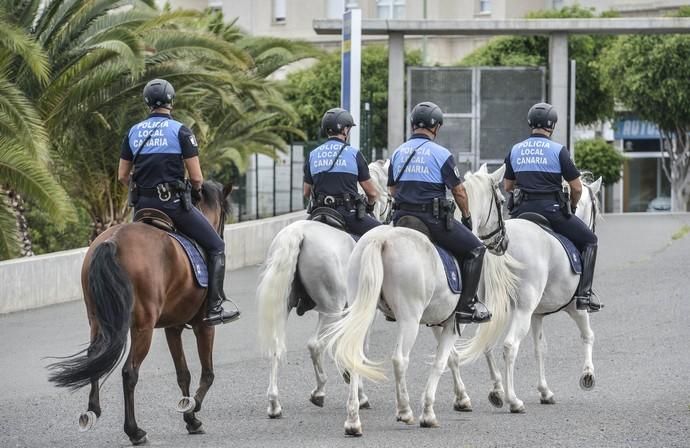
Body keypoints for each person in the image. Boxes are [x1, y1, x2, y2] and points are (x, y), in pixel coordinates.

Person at [117, 78, 240, 325]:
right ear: (171, 101)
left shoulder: (133, 132)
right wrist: (193, 190)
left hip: (142, 208)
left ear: (147, 103)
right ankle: (214, 306)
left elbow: (122, 176)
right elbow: (197, 178)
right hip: (173, 208)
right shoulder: (181, 131)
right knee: (216, 246)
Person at [387, 101, 491, 325]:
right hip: (431, 221)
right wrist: (466, 216)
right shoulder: (441, 154)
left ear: (413, 124)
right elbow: (459, 191)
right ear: (436, 127)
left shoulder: (397, 153)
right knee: (476, 249)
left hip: (401, 219)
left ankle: (387, 303)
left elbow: (392, 189)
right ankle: (467, 305)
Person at [503, 102, 601, 312]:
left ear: (530, 123)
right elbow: (576, 188)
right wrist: (572, 206)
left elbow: (508, 186)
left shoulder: (515, 150)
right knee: (591, 240)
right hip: (552, 211)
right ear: (552, 126)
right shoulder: (559, 151)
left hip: (520, 212)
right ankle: (584, 294)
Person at [303, 107, 381, 236]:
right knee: (385, 233)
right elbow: (372, 193)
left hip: (318, 213)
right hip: (347, 214)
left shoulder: (312, 155)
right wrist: (369, 206)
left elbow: (306, 192)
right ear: (344, 130)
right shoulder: (354, 154)